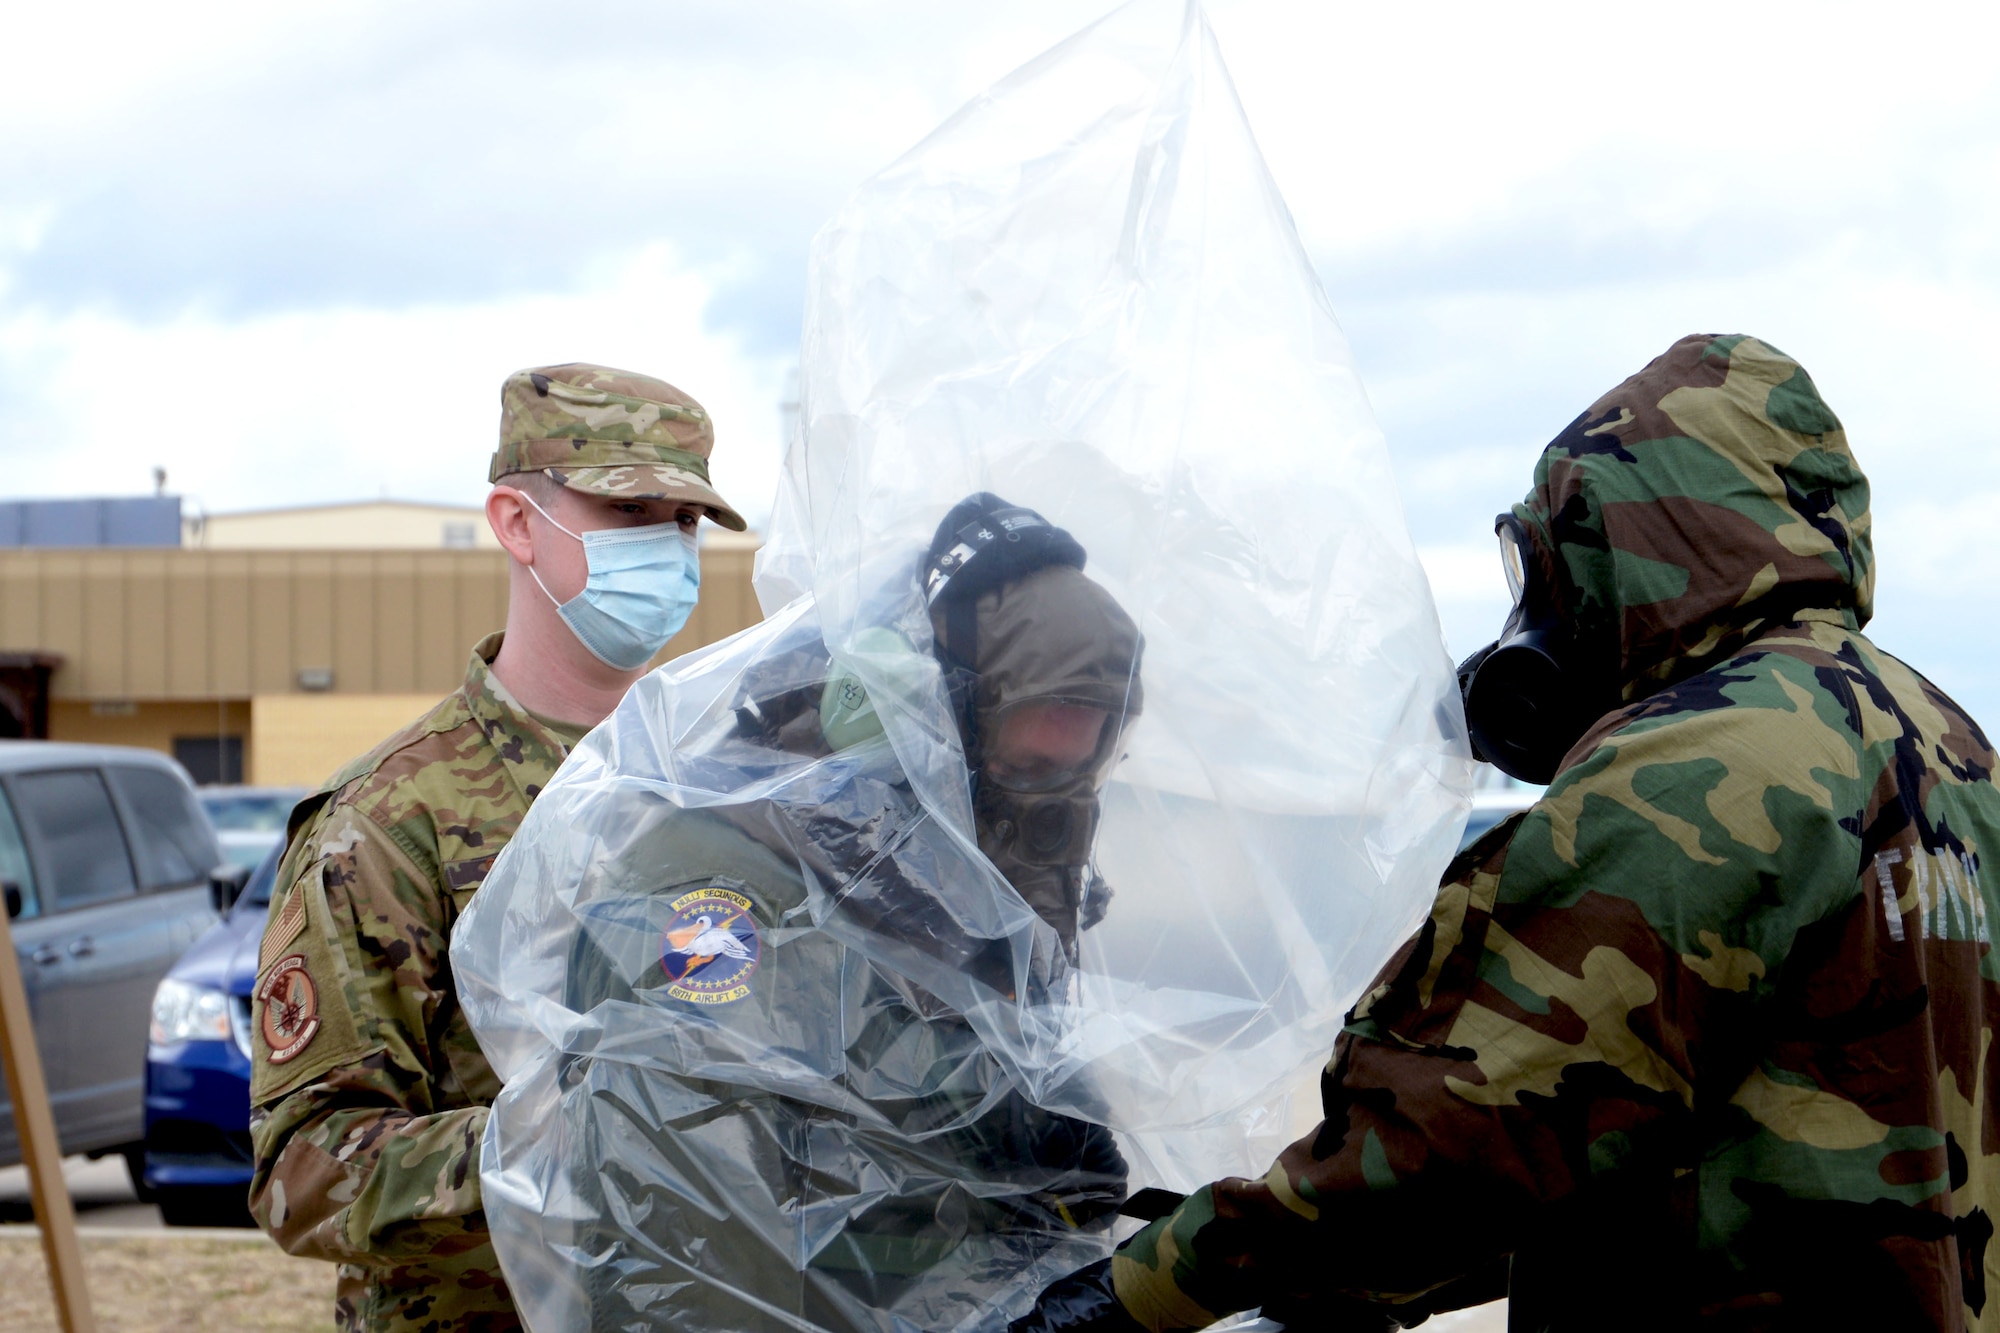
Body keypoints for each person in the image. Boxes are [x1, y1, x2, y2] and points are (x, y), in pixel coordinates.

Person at [1012, 333, 2000, 1332]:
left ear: (1632, 540)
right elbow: (1643, 1135)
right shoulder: (1947, 743)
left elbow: (1452, 1141)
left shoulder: (1698, 767)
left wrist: (1138, 1290)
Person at [453, 493, 1144, 1331]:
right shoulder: (723, 891)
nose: (1061, 781)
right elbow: (689, 1258)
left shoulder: (948, 890)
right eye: (1038, 734)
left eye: (1097, 737)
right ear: (913, 708)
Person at [245, 363, 743, 1333]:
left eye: (684, 521)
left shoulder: (730, 784)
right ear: (518, 524)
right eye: (629, 508)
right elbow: (305, 1171)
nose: (667, 547)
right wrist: (579, 1150)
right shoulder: (388, 822)